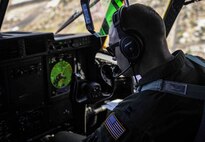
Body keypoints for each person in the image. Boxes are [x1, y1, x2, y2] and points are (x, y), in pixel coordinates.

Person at [54, 3, 204, 142]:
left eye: (112, 48)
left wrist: (57, 135)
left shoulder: (134, 113)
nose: (113, 56)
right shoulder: (198, 62)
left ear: (130, 47)